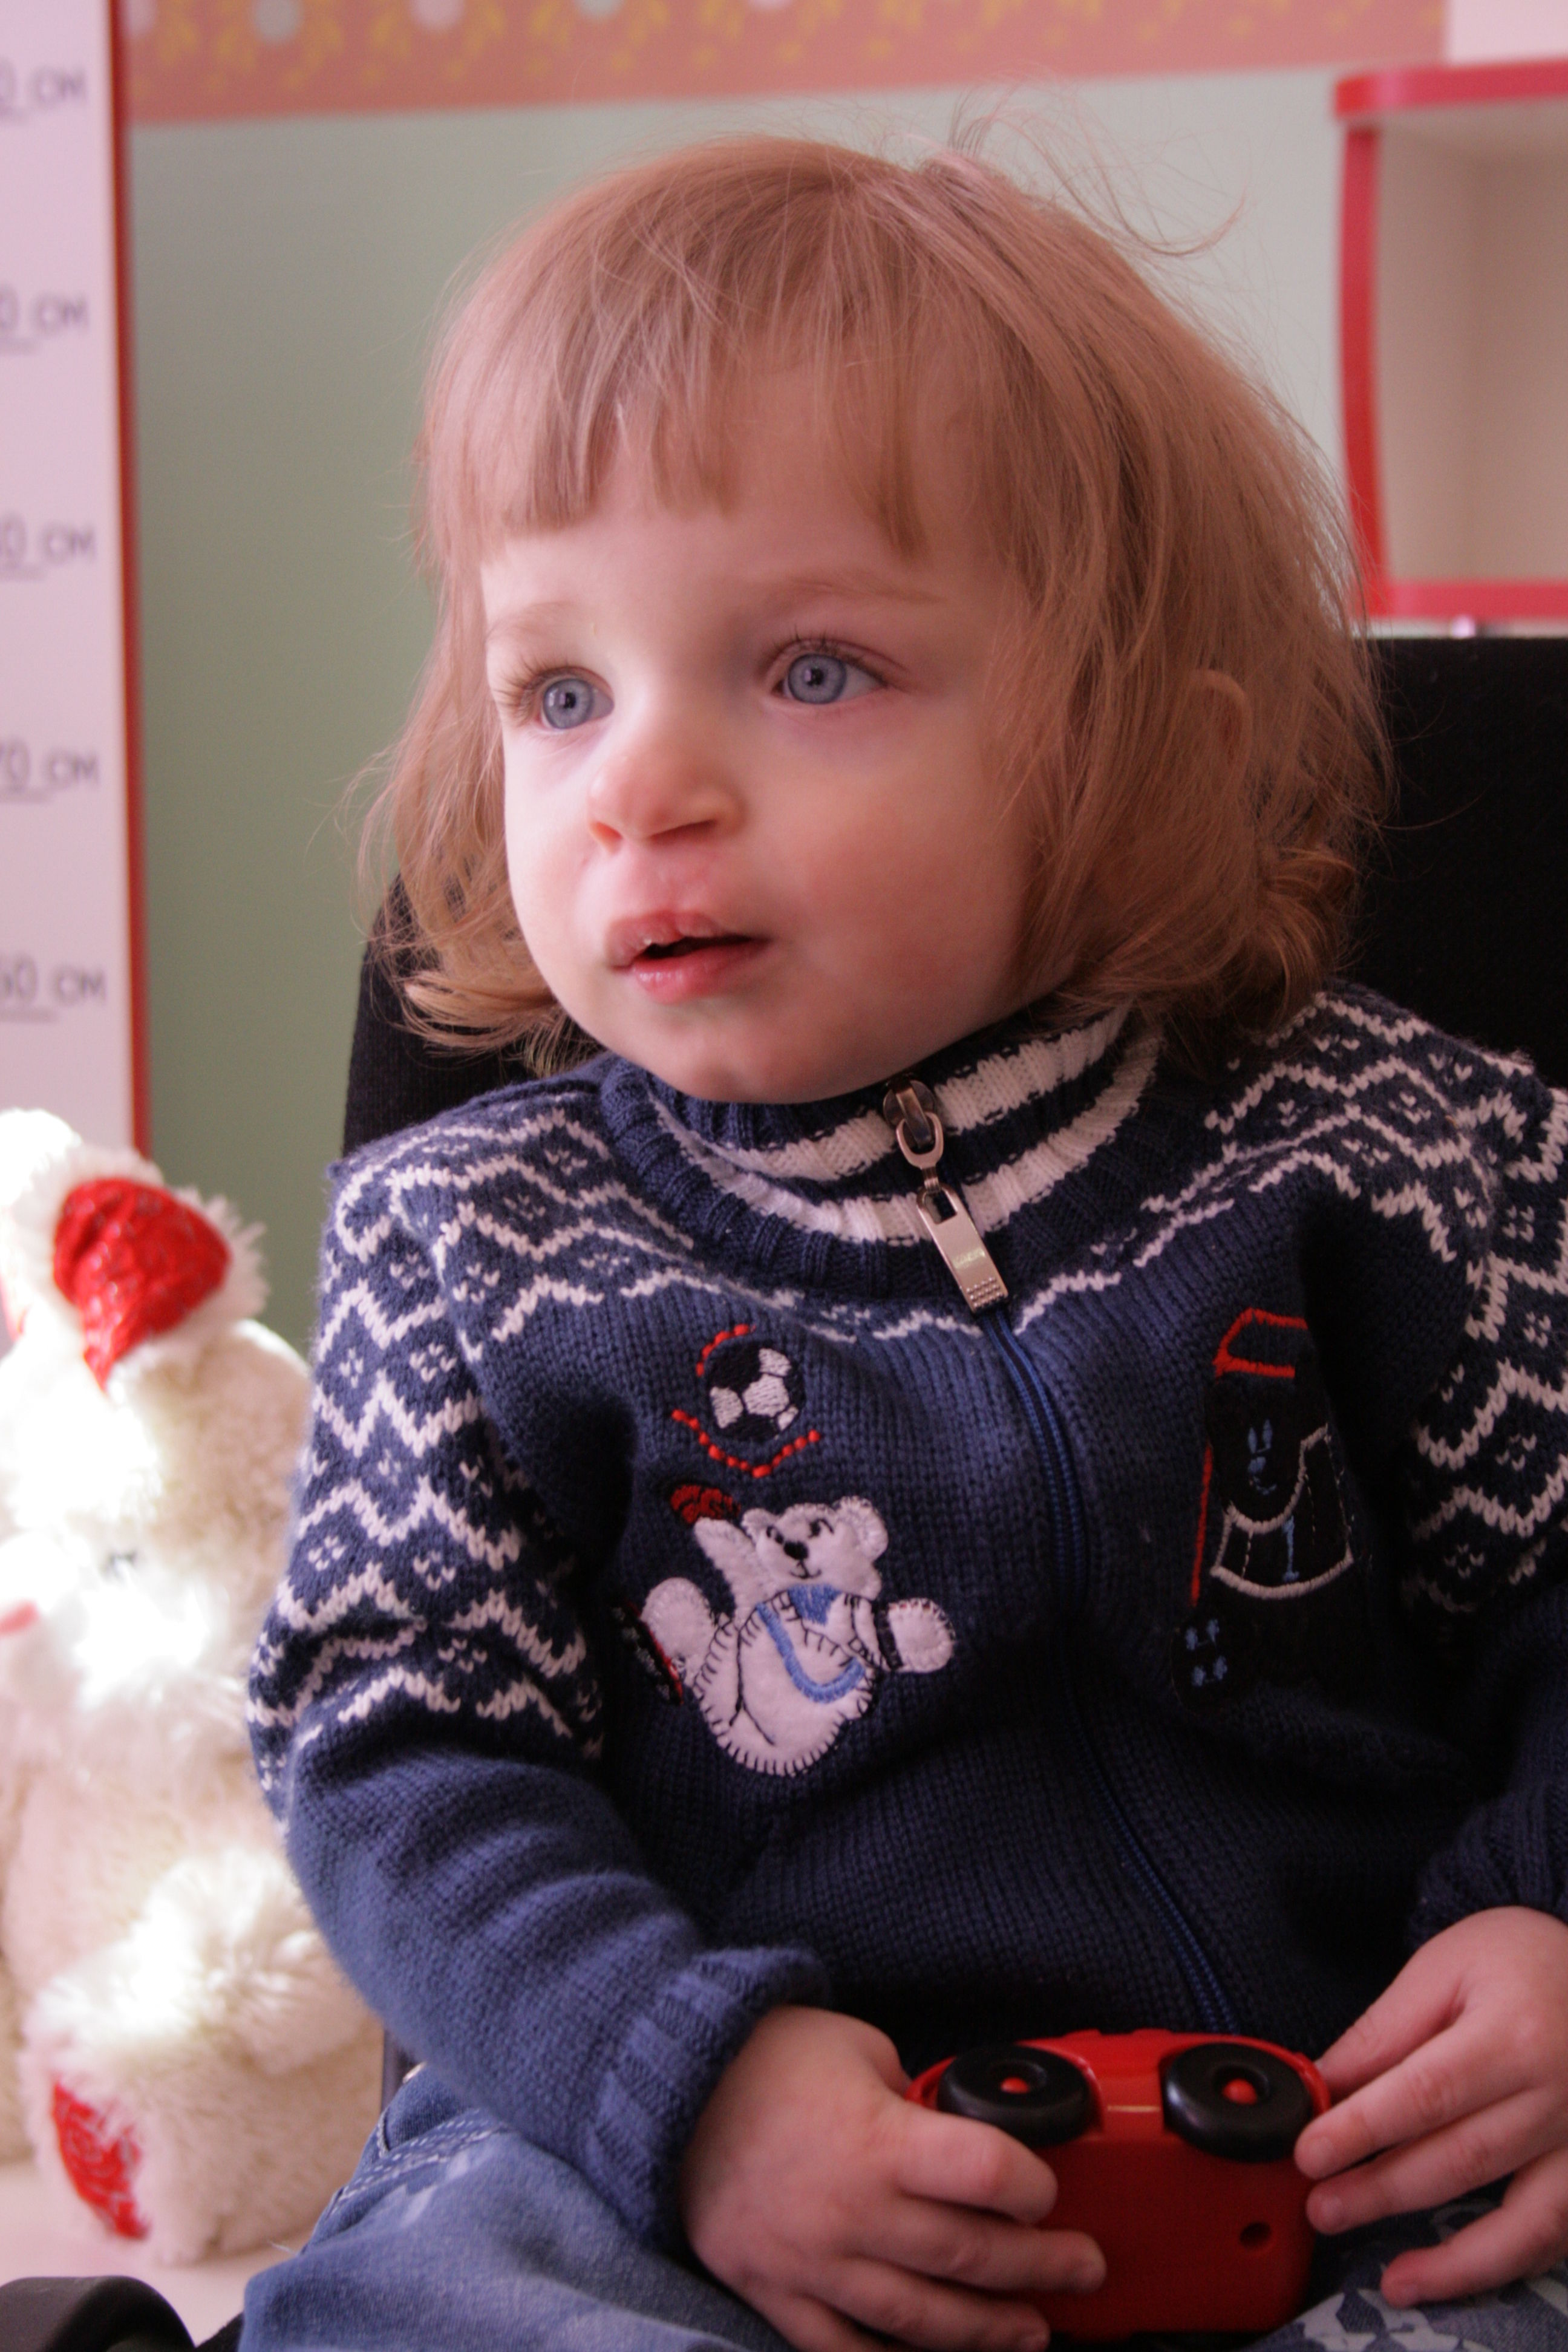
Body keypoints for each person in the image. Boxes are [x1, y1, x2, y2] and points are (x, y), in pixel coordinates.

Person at [242, 135, 1568, 2352]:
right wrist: (688, 2091)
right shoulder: (474, 1248)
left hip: (1341, 2124)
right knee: (437, 2289)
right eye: (559, 691)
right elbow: (395, 1751)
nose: (637, 788)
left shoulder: (1390, 1147)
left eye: (813, 670)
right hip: (695, 2150)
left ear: (1140, 756)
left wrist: (1548, 1917)